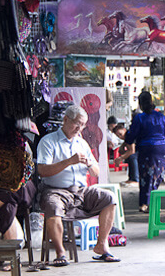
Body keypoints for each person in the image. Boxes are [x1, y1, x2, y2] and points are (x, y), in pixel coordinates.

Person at [37, 105, 121, 265]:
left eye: (83, 125)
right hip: (56, 190)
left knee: (109, 198)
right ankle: (60, 253)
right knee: (52, 205)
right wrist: (69, 161)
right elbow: (42, 170)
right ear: (66, 119)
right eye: (77, 123)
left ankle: (102, 245)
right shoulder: (48, 141)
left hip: (80, 191)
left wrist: (90, 163)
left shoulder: (82, 143)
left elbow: (96, 172)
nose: (80, 128)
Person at [115, 91, 165, 213]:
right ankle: (152, 199)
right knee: (157, 176)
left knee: (146, 177)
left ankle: (144, 203)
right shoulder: (161, 116)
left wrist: (126, 141)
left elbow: (132, 135)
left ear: (140, 104)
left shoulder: (139, 117)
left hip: (147, 150)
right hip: (162, 149)